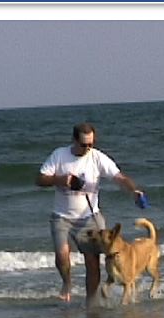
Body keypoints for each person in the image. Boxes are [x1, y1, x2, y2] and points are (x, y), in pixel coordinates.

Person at [36, 123, 144, 304]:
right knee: (62, 254)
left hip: (88, 217)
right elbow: (39, 179)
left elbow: (120, 177)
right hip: (61, 216)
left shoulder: (97, 158)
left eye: (91, 144)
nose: (88, 148)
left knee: (93, 263)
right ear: (74, 140)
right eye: (84, 144)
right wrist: (60, 179)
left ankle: (90, 302)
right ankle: (67, 283)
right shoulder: (59, 155)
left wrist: (134, 191)